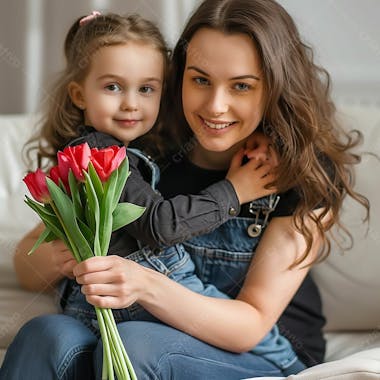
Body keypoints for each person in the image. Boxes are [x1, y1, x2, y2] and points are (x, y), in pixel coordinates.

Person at [0, 1, 370, 379]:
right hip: (138, 326)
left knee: (138, 345)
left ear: (275, 87)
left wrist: (145, 284)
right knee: (46, 335)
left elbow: (249, 326)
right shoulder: (142, 146)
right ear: (177, 78)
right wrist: (74, 250)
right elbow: (27, 268)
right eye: (201, 80)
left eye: (241, 86)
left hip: (258, 349)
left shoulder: (298, 170)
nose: (216, 106)